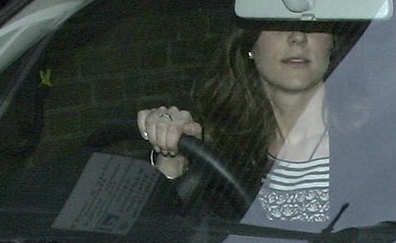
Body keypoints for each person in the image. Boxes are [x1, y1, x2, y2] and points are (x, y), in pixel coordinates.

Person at [135, 20, 354, 228]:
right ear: (250, 44)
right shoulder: (220, 155)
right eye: (277, 23)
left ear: (332, 44)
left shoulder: (374, 145)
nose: (297, 37)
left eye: (312, 24)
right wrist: (172, 158)